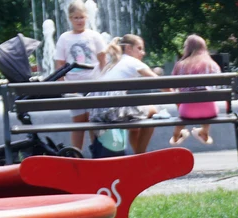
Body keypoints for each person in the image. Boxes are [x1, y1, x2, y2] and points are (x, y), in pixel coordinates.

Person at [89, 34, 159, 154]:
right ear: (128, 48)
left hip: (96, 114)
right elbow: (160, 82)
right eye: (139, 48)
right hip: (112, 114)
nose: (143, 53)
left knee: (136, 125)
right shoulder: (132, 61)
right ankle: (141, 156)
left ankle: (138, 155)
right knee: (153, 111)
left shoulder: (111, 64)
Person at [54, 0, 106, 153]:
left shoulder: (94, 36)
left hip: (93, 85)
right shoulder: (64, 38)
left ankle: (96, 152)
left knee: (92, 120)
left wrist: (103, 81)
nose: (79, 21)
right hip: (73, 87)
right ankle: (76, 154)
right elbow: (60, 65)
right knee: (78, 121)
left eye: (82, 17)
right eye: (76, 17)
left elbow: (103, 60)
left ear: (87, 17)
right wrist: (63, 86)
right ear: (70, 19)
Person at [169, 35, 222, 147]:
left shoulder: (180, 65)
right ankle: (204, 132)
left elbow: (172, 88)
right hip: (210, 111)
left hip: (187, 112)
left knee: (184, 102)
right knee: (207, 99)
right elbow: (216, 88)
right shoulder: (212, 65)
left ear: (188, 48)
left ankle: (176, 134)